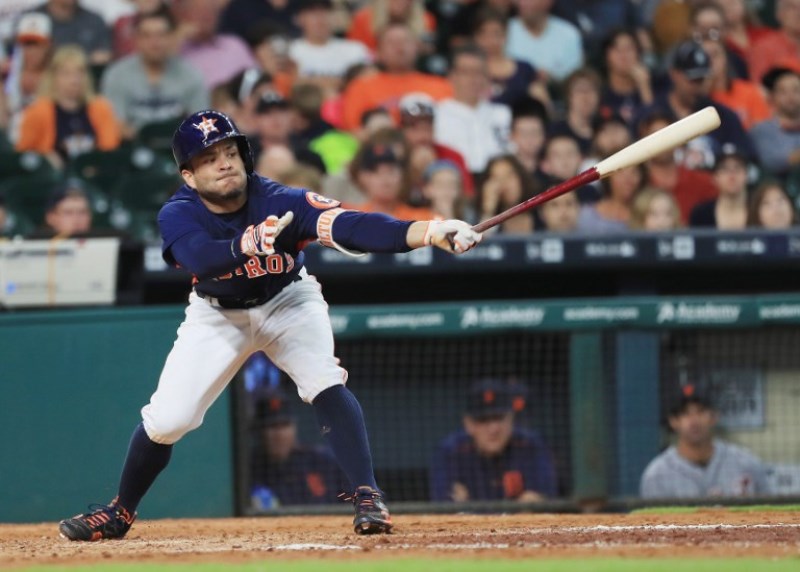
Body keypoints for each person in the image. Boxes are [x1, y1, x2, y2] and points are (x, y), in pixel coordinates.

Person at [57, 109, 481, 541]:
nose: (223, 163)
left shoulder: (280, 200)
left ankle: (367, 495)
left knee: (323, 380)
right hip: (218, 313)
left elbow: (352, 226)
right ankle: (120, 511)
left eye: (229, 151)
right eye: (208, 158)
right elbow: (200, 256)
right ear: (189, 175)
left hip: (288, 299)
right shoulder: (177, 213)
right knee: (169, 419)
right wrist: (247, 243)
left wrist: (429, 231)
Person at [429, 379, 558, 502]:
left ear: (511, 419)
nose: (493, 429)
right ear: (468, 424)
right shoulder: (451, 451)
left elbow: (543, 500)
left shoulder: (530, 446)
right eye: (483, 420)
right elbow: (445, 509)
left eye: (499, 418)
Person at [640, 387, 771, 499]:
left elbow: (770, 513)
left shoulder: (746, 463)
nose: (694, 421)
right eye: (685, 414)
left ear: (714, 417)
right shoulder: (657, 474)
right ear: (673, 421)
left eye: (701, 411)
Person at [101, 8, 209, 140]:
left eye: (161, 35)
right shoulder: (117, 75)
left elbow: (201, 123)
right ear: (136, 39)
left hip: (180, 147)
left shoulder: (191, 75)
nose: (154, 42)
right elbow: (116, 125)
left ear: (171, 37)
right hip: (133, 147)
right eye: (147, 36)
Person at [15, 45, 121, 168]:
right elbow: (22, 155)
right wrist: (44, 158)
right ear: (53, 77)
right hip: (51, 177)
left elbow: (110, 150)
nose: (74, 80)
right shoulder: (38, 111)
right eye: (66, 74)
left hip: (94, 175)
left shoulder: (101, 108)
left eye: (79, 73)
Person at [248, 380, 346, 508]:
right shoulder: (249, 470)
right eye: (272, 427)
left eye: (285, 425)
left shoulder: (322, 462)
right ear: (259, 432)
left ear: (294, 427)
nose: (279, 434)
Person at [341, 23, 453, 131]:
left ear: (417, 47)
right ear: (378, 52)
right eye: (391, 42)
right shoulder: (360, 87)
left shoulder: (441, 85)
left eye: (405, 41)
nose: (399, 47)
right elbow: (354, 131)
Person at [434, 46, 512, 176]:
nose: (473, 79)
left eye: (479, 72)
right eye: (466, 72)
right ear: (452, 76)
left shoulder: (502, 114)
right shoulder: (437, 114)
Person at [289, 0, 370, 95]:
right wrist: (339, 82)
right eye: (312, 13)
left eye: (325, 11)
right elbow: (291, 85)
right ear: (299, 18)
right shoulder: (291, 50)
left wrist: (308, 82)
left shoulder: (356, 49)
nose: (320, 18)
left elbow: (368, 82)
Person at [174, 0, 258, 90]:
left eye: (211, 11)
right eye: (199, 12)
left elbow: (257, 79)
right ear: (184, 15)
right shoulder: (178, 50)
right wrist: (179, 37)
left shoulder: (234, 45)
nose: (206, 16)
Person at [505, 0, 584, 82]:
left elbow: (575, 80)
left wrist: (552, 79)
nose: (524, 3)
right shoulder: (505, 32)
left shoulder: (569, 35)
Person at [28, 0, 112, 66]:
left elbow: (103, 57)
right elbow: (23, 61)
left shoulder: (95, 21)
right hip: (41, 82)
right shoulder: (31, 19)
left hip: (84, 82)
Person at [749, 67, 800, 178]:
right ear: (772, 97)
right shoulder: (761, 130)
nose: (790, 96)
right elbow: (772, 162)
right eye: (783, 91)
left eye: (796, 90)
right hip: (776, 186)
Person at [689, 144, 749, 230]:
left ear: (746, 175)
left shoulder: (760, 210)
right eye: (724, 169)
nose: (732, 176)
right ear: (715, 177)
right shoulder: (701, 214)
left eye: (737, 168)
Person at [478, 154, 537, 234]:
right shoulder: (485, 219)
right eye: (497, 179)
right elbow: (483, 243)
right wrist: (489, 210)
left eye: (509, 175)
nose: (505, 184)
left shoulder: (541, 211)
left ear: (520, 178)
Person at [747, 0, 800, 83]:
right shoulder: (764, 48)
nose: (798, 13)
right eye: (792, 7)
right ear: (779, 13)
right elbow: (760, 88)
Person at [28, 179, 93, 238]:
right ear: (51, 217)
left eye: (83, 212)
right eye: (68, 213)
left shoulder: (101, 244)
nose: (77, 219)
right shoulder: (34, 247)